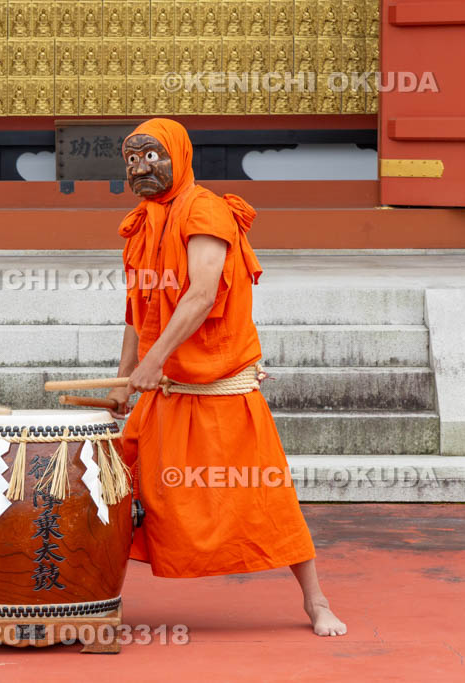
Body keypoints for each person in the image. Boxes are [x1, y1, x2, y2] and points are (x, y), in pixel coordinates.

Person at [107, 118, 347, 637]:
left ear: (179, 156)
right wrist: (123, 381)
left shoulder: (205, 209)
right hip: (164, 394)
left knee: (266, 497)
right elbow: (135, 311)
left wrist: (149, 366)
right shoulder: (142, 223)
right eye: (131, 159)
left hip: (222, 391)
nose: (140, 168)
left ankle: (316, 600)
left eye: (152, 156)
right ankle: (101, 597)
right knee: (117, 492)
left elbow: (201, 294)